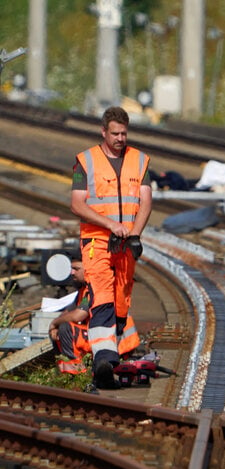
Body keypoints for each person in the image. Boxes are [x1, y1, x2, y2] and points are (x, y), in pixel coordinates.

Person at [70, 106, 152, 390]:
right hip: (96, 242)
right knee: (102, 298)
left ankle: (110, 362)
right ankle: (103, 360)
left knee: (121, 302)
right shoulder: (85, 162)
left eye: (124, 133)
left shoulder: (139, 161)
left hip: (126, 244)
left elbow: (146, 201)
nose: (120, 138)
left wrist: (135, 234)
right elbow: (78, 204)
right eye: (115, 133)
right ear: (103, 132)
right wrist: (109, 225)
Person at [48, 256, 141, 375]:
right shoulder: (85, 288)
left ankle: (76, 374)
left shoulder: (97, 288)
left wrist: (54, 323)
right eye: (71, 268)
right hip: (105, 338)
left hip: (116, 341)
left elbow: (78, 315)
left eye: (76, 269)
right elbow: (70, 311)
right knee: (62, 326)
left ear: (88, 270)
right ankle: (69, 371)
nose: (72, 273)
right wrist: (55, 325)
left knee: (66, 328)